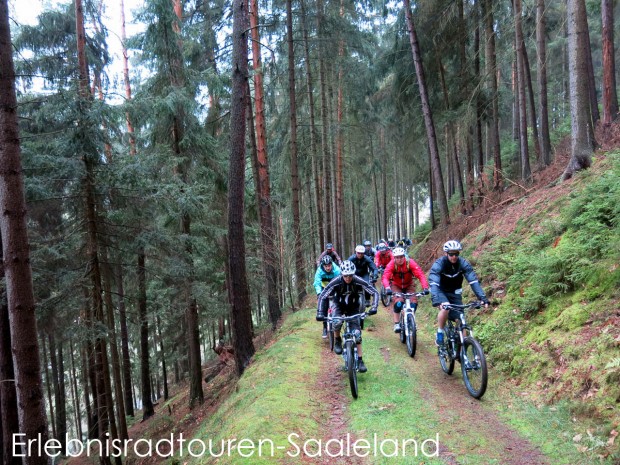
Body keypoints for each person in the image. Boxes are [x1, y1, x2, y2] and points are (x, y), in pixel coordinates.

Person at [316, 260, 378, 372]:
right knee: (337, 322)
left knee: (357, 334)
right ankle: (337, 339)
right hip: (338, 305)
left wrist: (374, 307)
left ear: (353, 274)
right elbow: (323, 295)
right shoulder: (336, 281)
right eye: (345, 276)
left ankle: (360, 360)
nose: (348, 278)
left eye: (350, 276)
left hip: (353, 307)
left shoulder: (358, 281)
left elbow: (374, 292)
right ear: (342, 274)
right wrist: (320, 312)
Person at [429, 240, 489, 345]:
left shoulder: (463, 263)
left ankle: (463, 350)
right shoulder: (439, 264)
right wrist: (435, 299)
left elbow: (473, 281)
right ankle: (440, 332)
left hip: (455, 292)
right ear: (446, 253)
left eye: (456, 254)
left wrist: (482, 297)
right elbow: (434, 283)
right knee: (445, 308)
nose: (454, 257)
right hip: (441, 291)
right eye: (451, 254)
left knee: (460, 319)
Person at [383, 247, 429, 333]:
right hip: (396, 285)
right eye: (397, 257)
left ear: (404, 256)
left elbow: (420, 275)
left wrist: (425, 287)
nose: (399, 259)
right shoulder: (392, 264)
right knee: (399, 303)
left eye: (401, 257)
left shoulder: (410, 263)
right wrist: (387, 288)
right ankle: (397, 323)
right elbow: (385, 277)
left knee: (413, 303)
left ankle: (409, 319)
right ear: (394, 258)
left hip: (409, 285)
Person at [313, 255, 341, 338]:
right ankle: (325, 327)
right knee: (324, 307)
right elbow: (317, 283)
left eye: (329, 266)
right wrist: (319, 293)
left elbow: (340, 281)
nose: (328, 268)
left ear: (332, 264)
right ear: (323, 265)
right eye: (326, 266)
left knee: (337, 303)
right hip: (323, 289)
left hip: (334, 288)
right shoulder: (319, 271)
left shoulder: (336, 269)